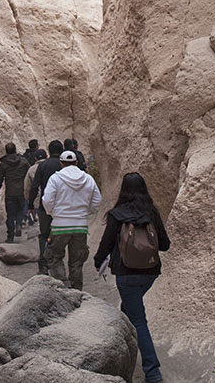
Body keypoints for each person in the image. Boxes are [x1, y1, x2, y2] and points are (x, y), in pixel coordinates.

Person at [93, 172, 170, 383]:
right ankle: (123, 351)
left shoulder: (117, 214)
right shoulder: (151, 213)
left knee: (138, 319)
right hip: (150, 273)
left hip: (126, 274)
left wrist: (98, 260)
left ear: (123, 190)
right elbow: (164, 244)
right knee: (128, 311)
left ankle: (152, 372)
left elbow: (106, 244)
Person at [42, 150, 102, 290]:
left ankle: (62, 287)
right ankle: (76, 290)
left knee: (54, 256)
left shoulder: (55, 179)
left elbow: (47, 200)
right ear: (76, 162)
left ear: (61, 164)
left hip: (59, 225)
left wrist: (53, 213)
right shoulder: (88, 179)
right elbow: (97, 201)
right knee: (77, 260)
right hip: (80, 225)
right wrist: (85, 213)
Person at [28, 140, 66, 274]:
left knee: (44, 235)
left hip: (45, 206)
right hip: (62, 208)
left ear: (49, 151)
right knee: (59, 234)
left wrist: (30, 204)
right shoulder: (64, 166)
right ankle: (57, 263)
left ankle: (43, 264)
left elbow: (34, 186)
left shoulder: (43, 166)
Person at [0, 142, 29, 242]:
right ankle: (18, 224)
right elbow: (29, 174)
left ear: (6, 151)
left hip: (10, 192)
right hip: (21, 191)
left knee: (10, 214)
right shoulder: (23, 161)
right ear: (15, 150)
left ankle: (10, 236)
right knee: (20, 210)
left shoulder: (3, 164)